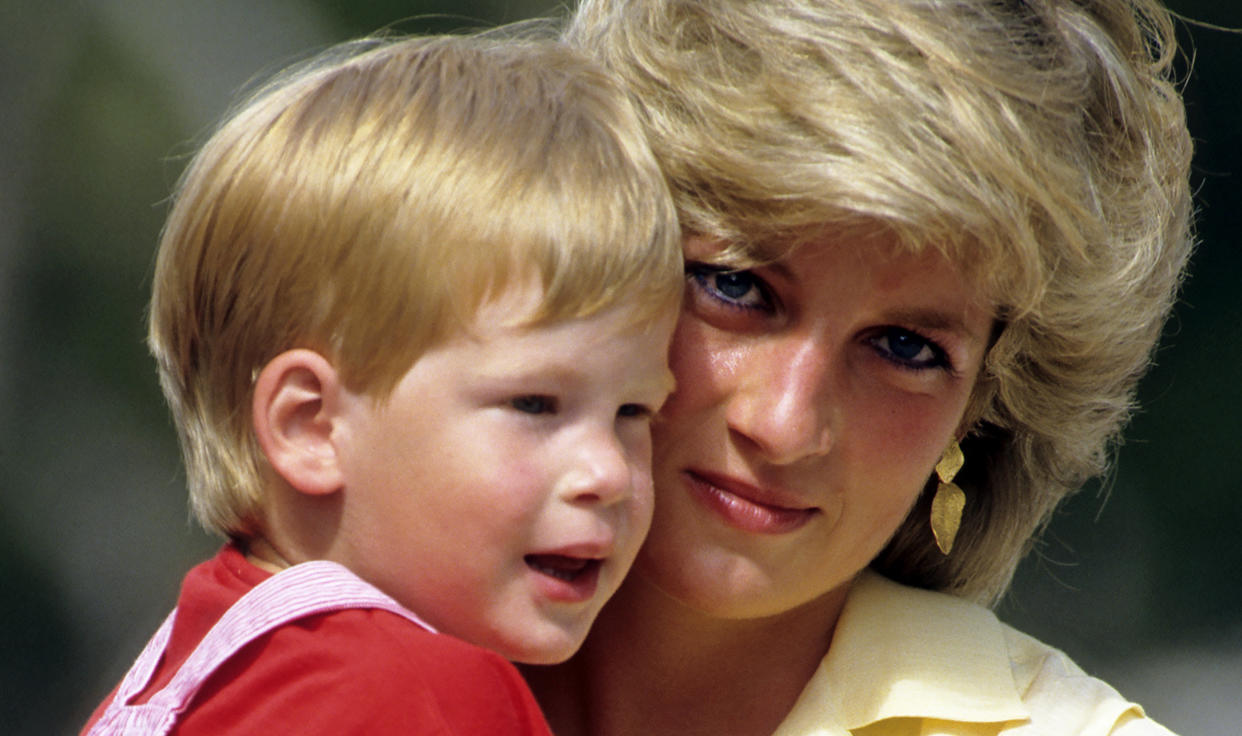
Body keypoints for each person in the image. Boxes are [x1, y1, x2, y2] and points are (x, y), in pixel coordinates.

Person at [522, 0, 1194, 734]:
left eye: (905, 347)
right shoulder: (383, 619)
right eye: (736, 285)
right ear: (599, 236)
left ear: (982, 411)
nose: (784, 425)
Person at [80, 31, 683, 735]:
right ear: (311, 427)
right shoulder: (418, 695)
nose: (608, 472)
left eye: (635, 411)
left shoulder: (191, 670)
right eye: (535, 404)